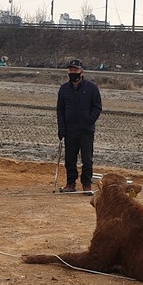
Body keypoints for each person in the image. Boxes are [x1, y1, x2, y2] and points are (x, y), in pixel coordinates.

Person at [56, 59, 102, 194]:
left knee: (87, 160)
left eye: (75, 70)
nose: (73, 72)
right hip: (70, 130)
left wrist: (89, 120)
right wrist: (61, 128)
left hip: (86, 130)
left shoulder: (91, 88)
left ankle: (86, 184)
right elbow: (60, 110)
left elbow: (97, 107)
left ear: (81, 71)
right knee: (70, 159)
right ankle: (71, 183)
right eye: (70, 70)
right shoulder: (64, 89)